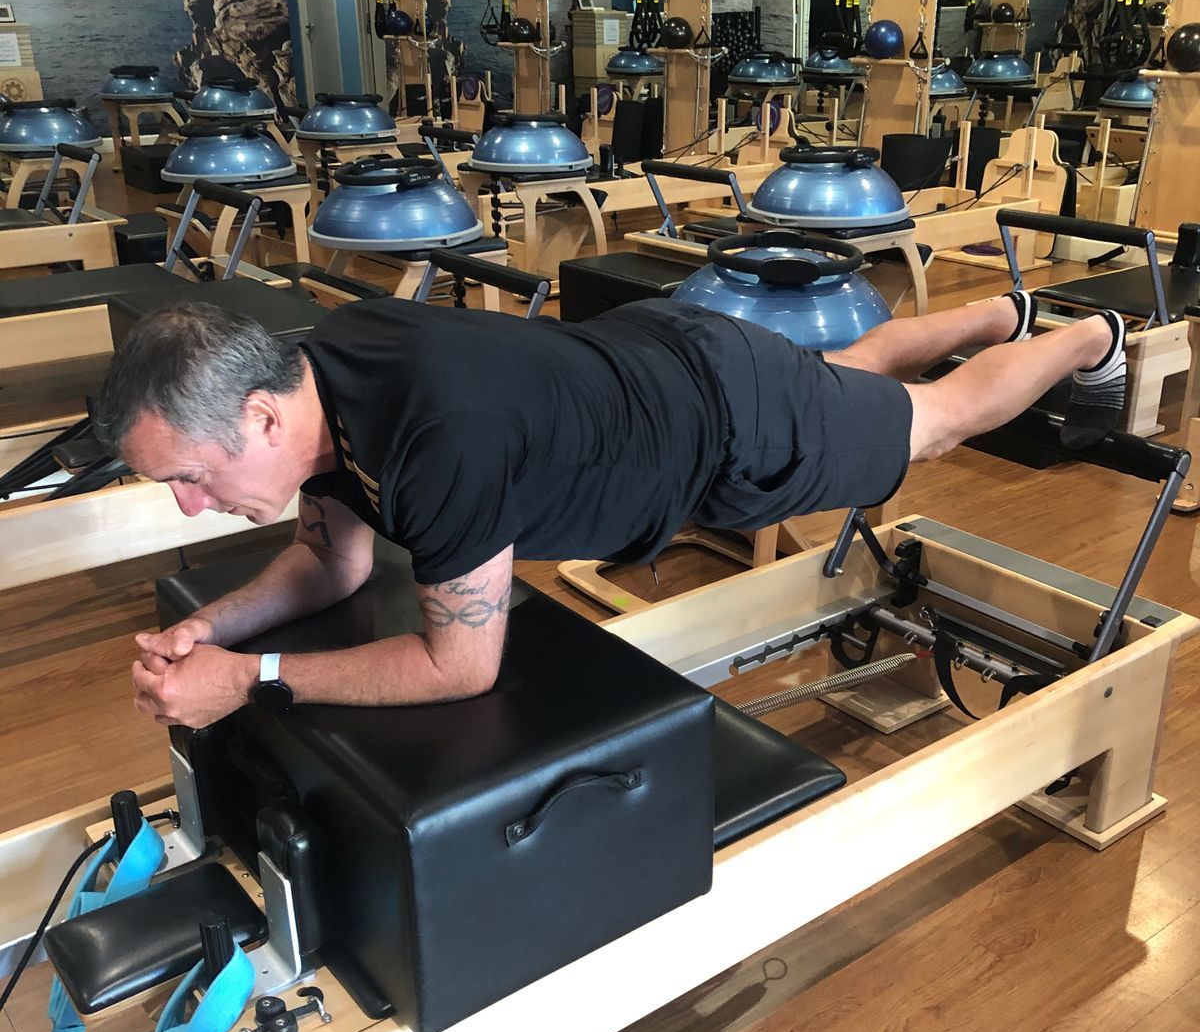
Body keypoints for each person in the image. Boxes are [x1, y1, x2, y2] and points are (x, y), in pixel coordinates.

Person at [94, 289, 1126, 732]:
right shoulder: (321, 371)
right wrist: (210, 629)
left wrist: (253, 681)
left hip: (726, 422)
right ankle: (1000, 311)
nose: (188, 506)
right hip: (662, 358)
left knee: (933, 423)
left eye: (188, 475)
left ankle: (1088, 337)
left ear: (261, 416)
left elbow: (461, 666)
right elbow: (336, 565)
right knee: (844, 374)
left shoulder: (440, 445)